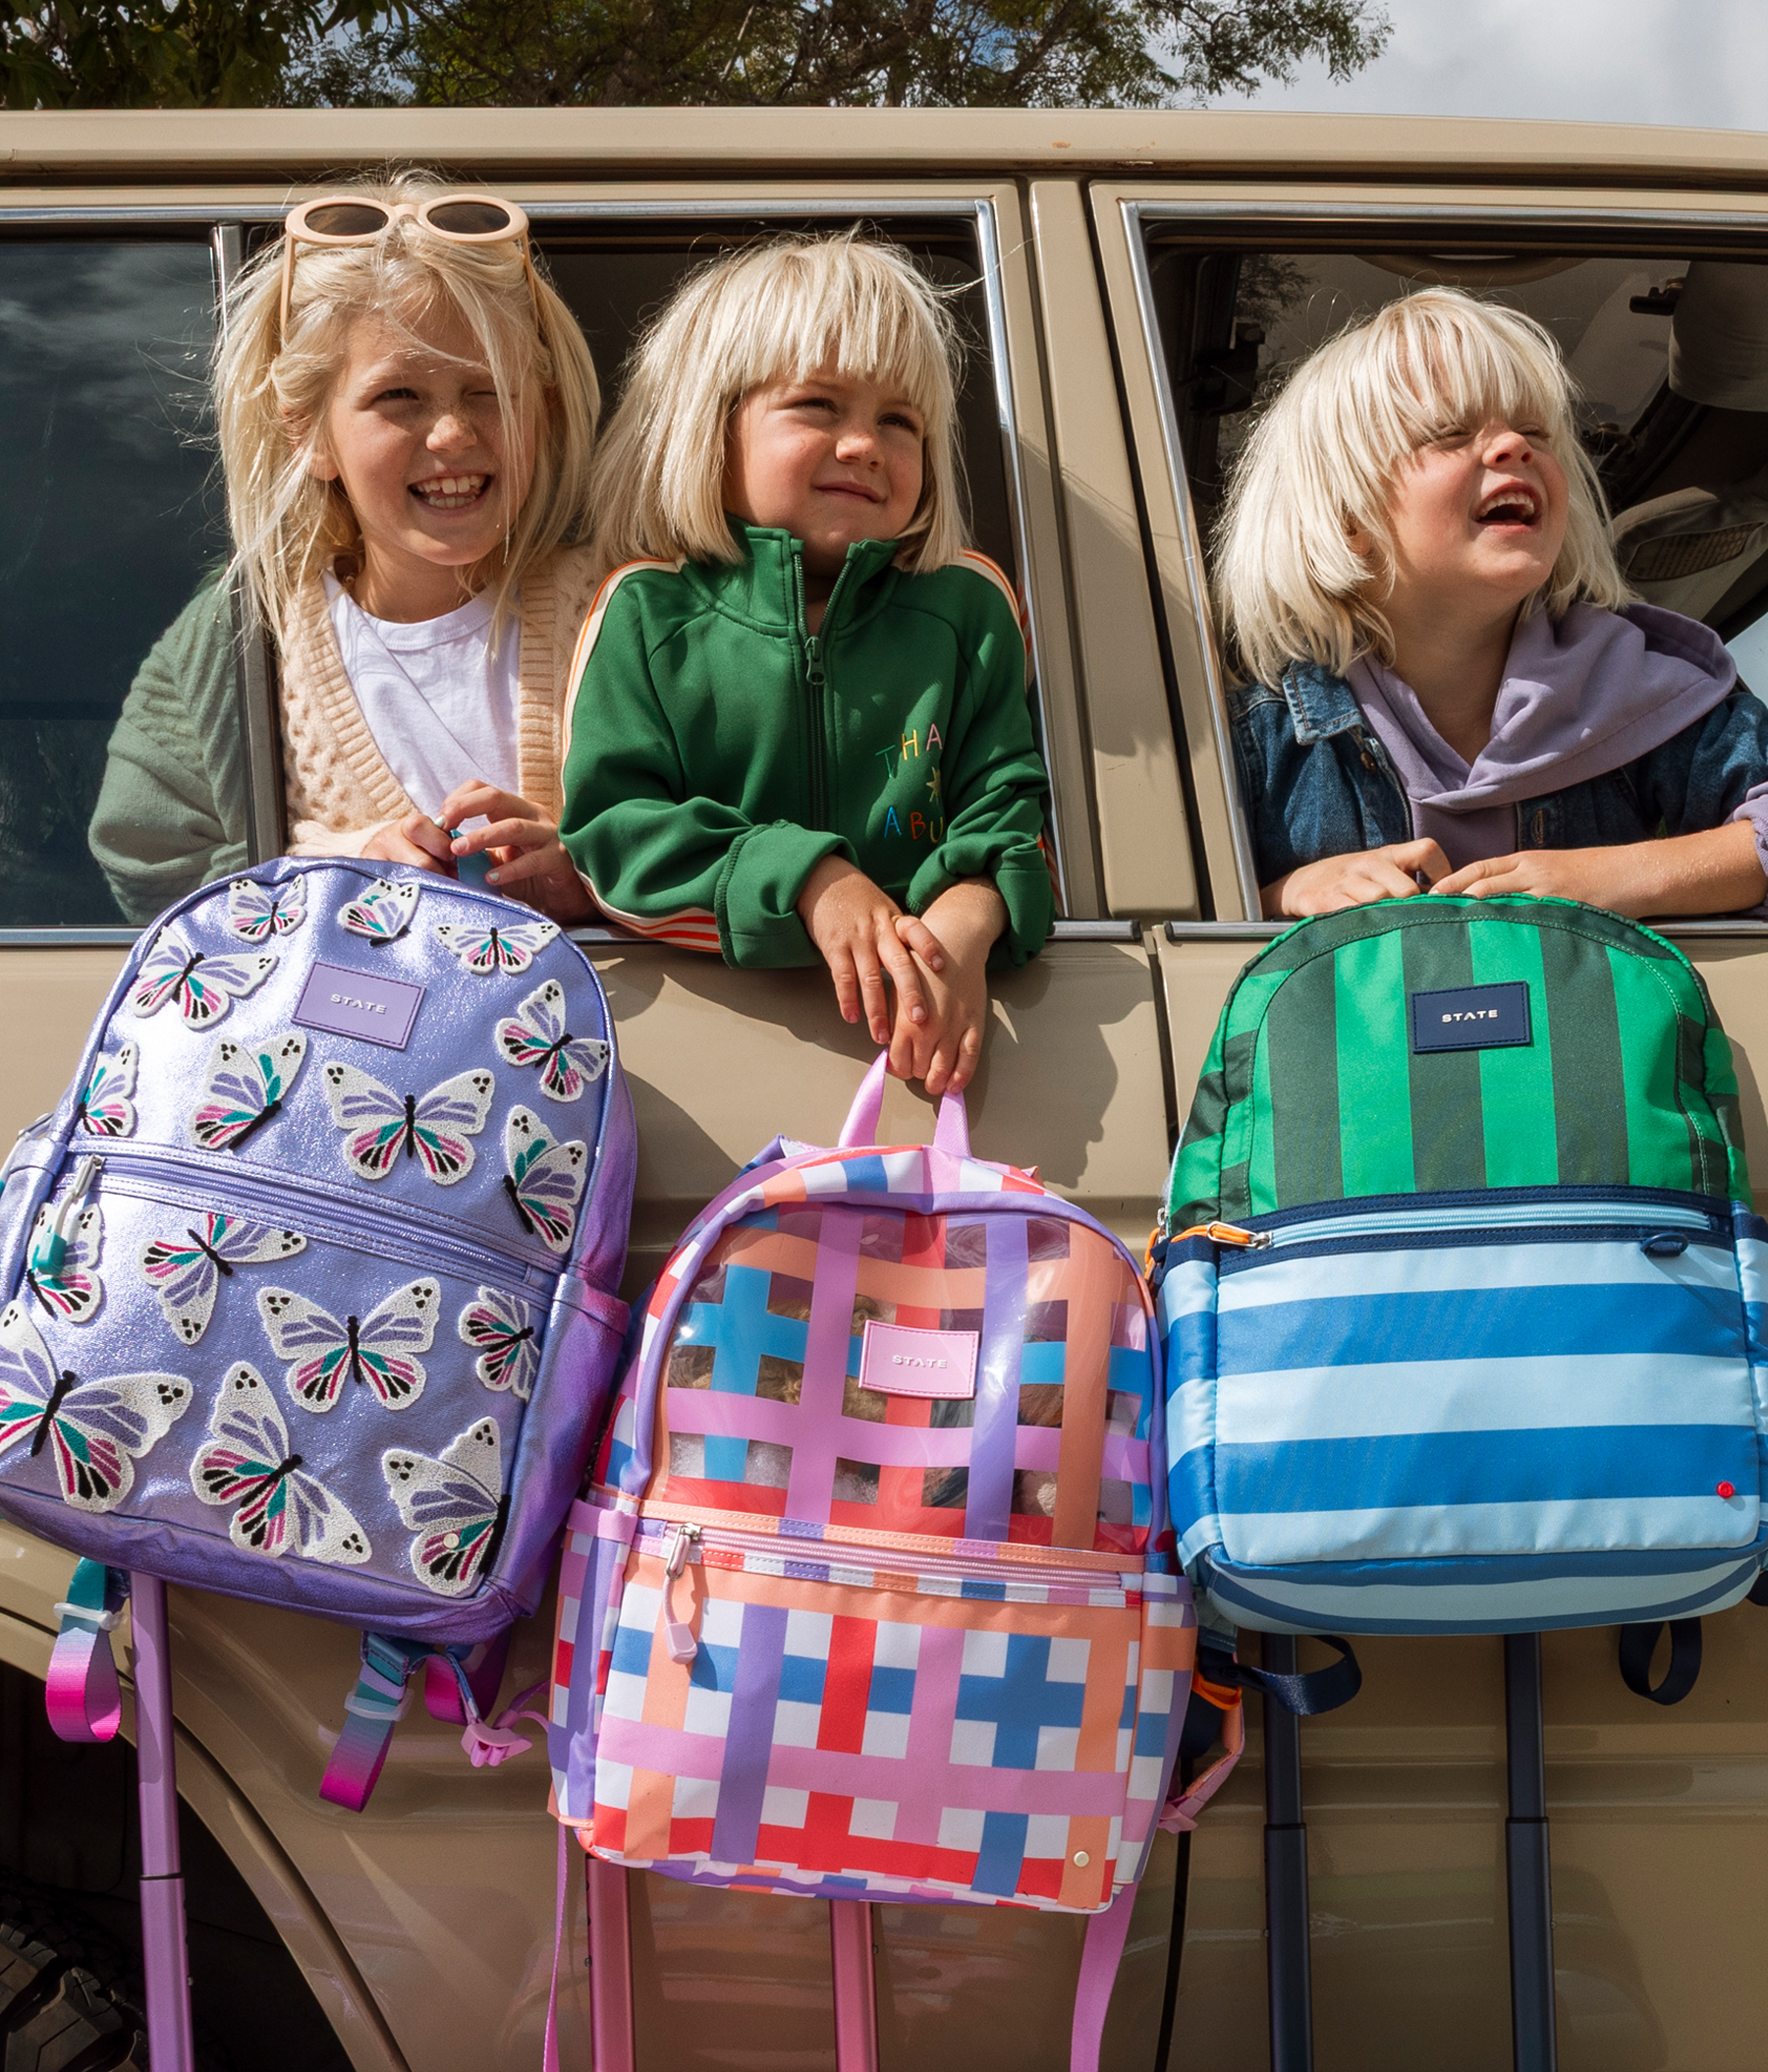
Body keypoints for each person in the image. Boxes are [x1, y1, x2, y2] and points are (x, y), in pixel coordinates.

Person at [557, 233, 1053, 1097]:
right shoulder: (646, 613)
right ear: (711, 430)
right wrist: (813, 882)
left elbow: (1009, 808)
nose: (864, 444)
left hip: (937, 1061)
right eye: (819, 406)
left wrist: (965, 926)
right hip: (717, 1067)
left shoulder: (968, 611)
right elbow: (614, 840)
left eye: (898, 421)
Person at [89, 174, 602, 924]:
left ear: (544, 410)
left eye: (487, 390)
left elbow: (723, 825)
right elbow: (146, 867)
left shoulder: (620, 606)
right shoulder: (238, 642)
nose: (452, 433)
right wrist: (334, 872)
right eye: (399, 396)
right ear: (310, 432)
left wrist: (593, 874)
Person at [1215, 287, 1768, 921]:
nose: (1514, 446)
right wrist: (1276, 897)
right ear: (1345, 518)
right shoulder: (1260, 738)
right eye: (1448, 433)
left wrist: (1617, 875)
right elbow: (1177, 925)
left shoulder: (1642, 686)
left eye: (1534, 429)